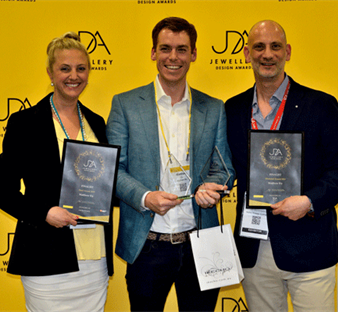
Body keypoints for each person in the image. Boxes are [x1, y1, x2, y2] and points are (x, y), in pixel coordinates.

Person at [106, 17, 235, 312]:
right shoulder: (125, 105)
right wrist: (145, 197)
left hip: (200, 243)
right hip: (147, 244)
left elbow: (224, 168)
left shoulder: (213, 108)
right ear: (153, 53)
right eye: (165, 49)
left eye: (181, 49)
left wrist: (211, 188)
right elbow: (114, 169)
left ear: (194, 54)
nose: (173, 57)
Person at [225, 20, 338, 311]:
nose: (267, 54)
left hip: (310, 247)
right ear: (247, 53)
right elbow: (224, 166)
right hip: (254, 248)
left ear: (288, 51)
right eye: (259, 47)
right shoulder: (232, 109)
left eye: (275, 46)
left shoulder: (320, 105)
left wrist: (308, 201)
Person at [0, 32, 113, 312]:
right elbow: (3, 192)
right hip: (44, 254)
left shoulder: (96, 122)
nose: (74, 76)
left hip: (93, 255)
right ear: (50, 72)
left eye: (81, 68)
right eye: (65, 68)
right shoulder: (25, 123)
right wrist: (44, 212)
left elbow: (105, 184)